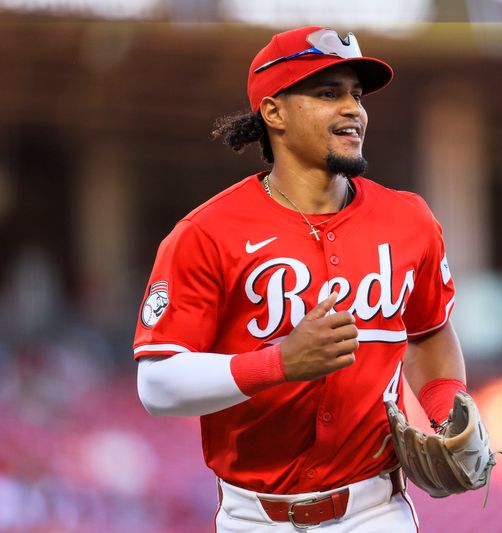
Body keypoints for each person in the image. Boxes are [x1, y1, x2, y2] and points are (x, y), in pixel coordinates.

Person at [133, 26, 468, 532]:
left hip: (376, 511)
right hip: (255, 518)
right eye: (328, 93)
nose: (353, 108)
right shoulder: (205, 233)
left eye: (356, 94)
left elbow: (429, 332)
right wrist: (278, 363)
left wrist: (447, 411)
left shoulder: (411, 220)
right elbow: (157, 386)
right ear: (273, 112)